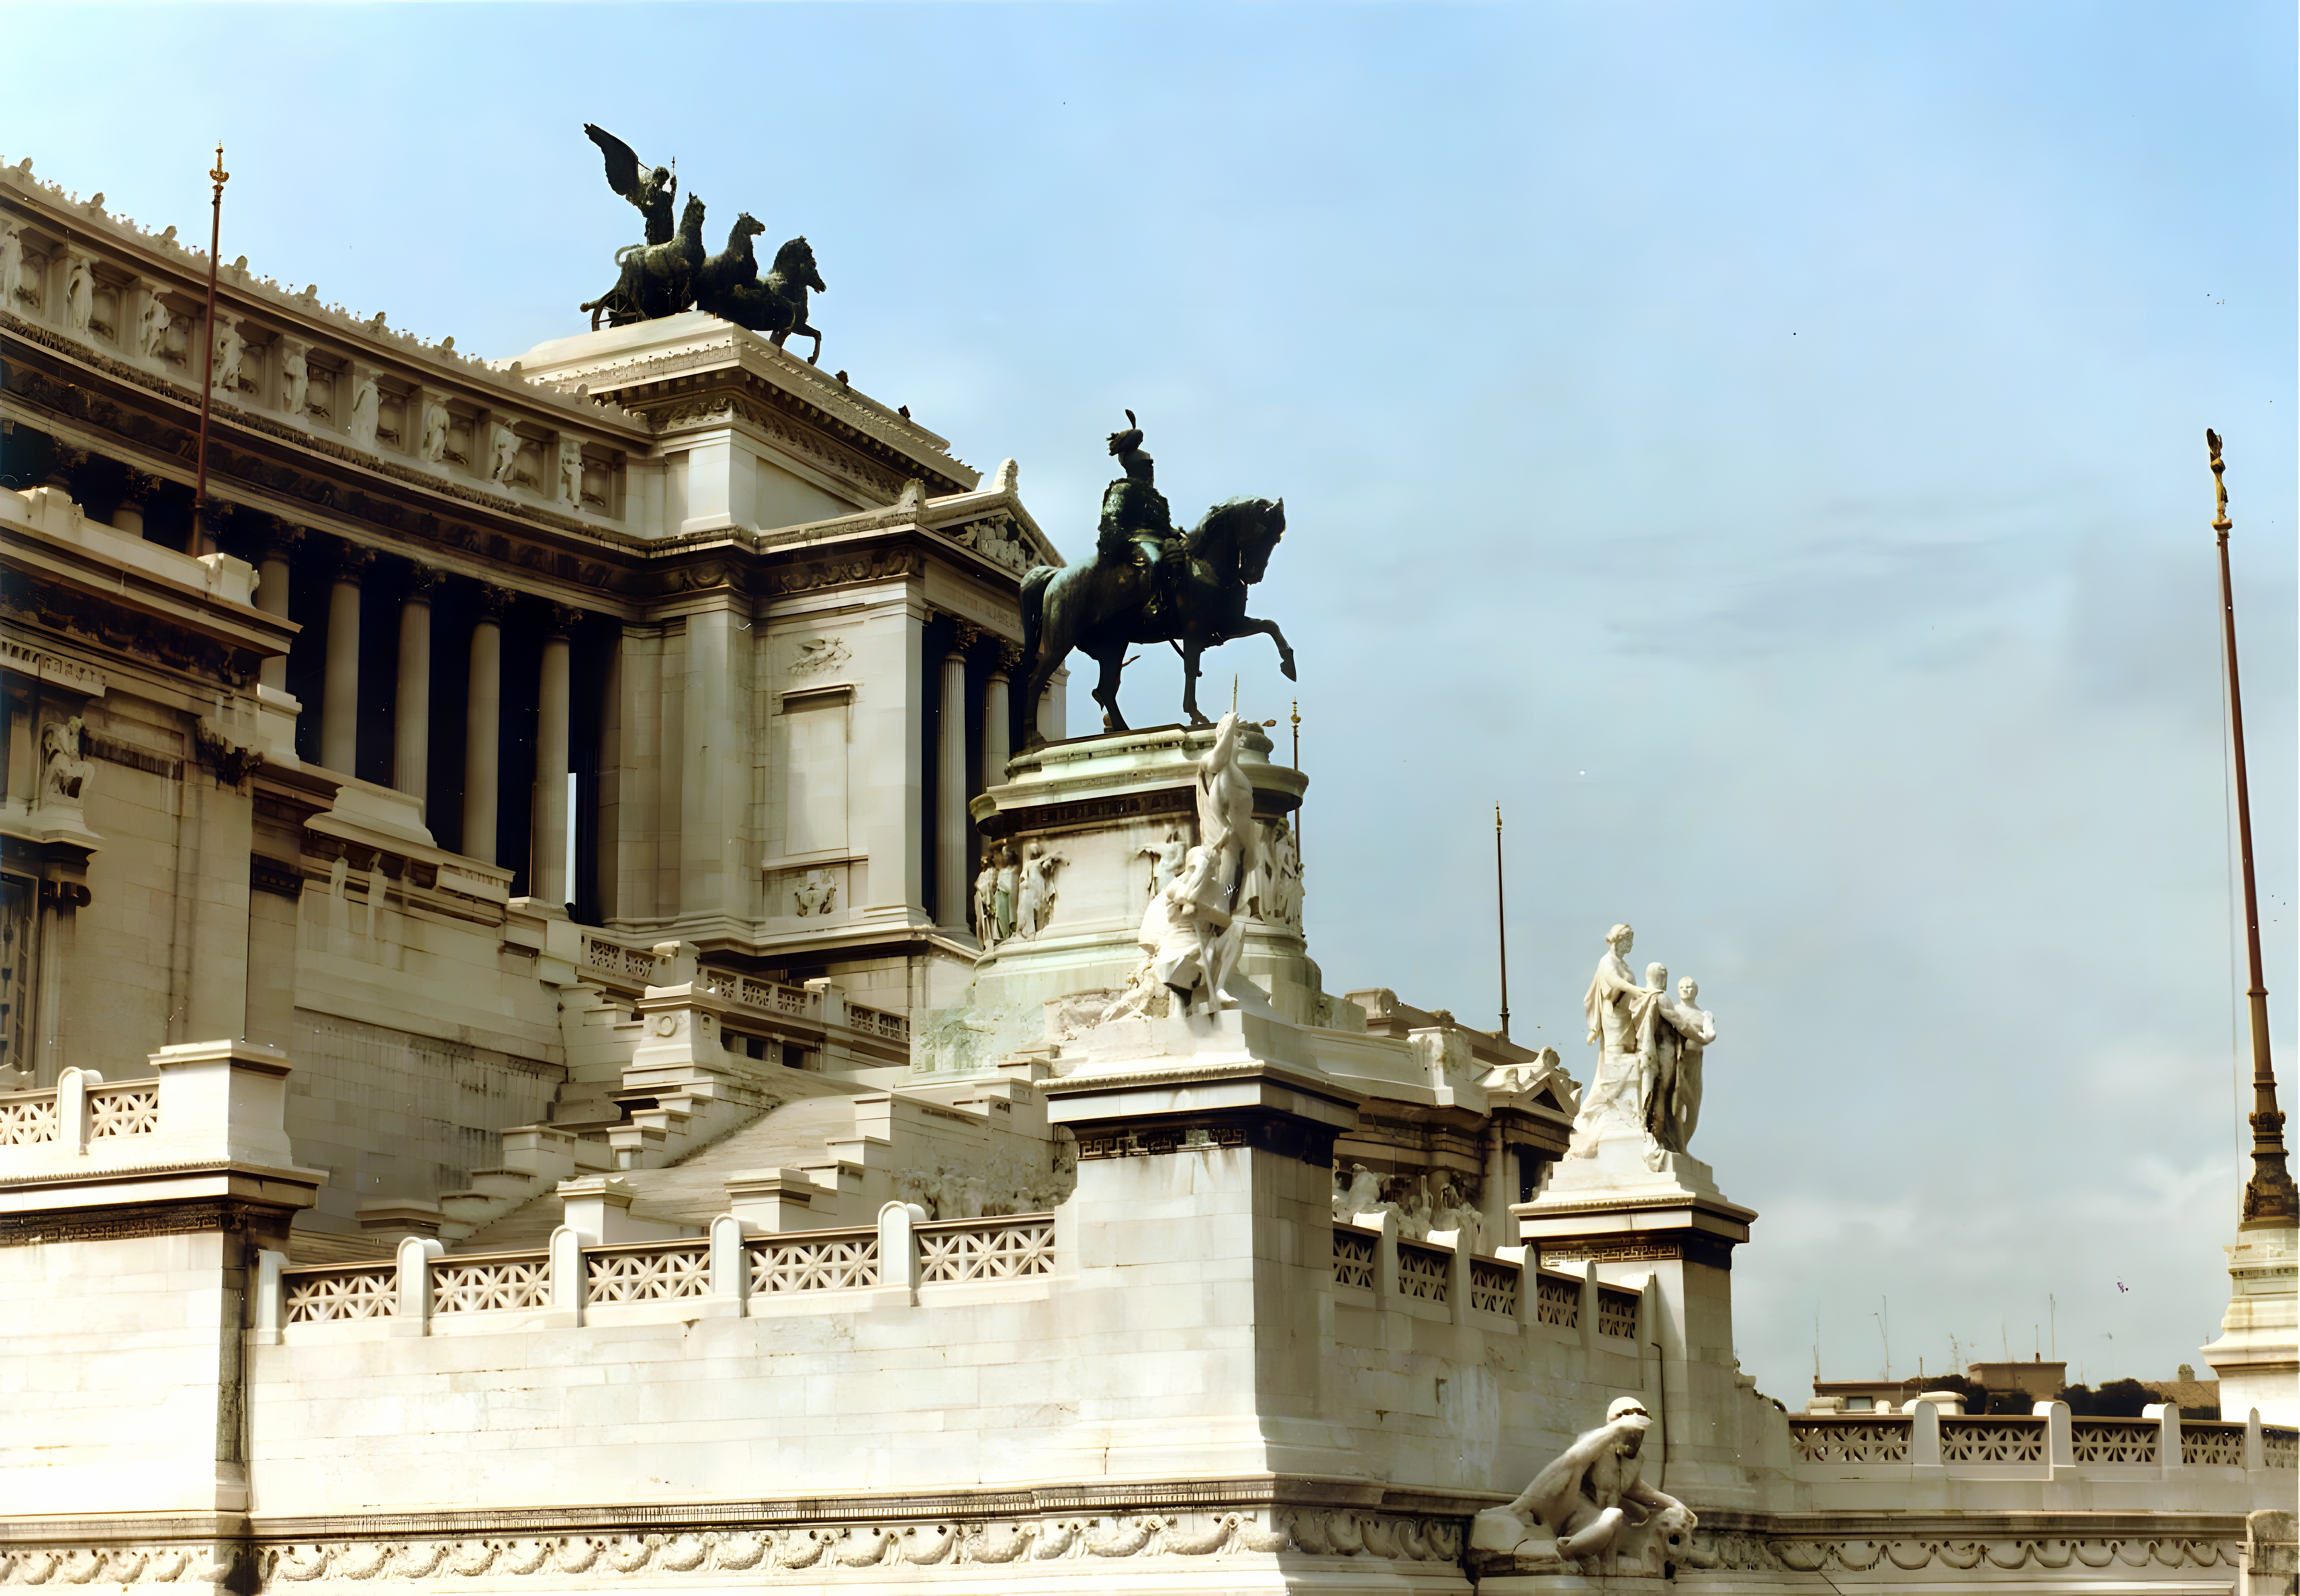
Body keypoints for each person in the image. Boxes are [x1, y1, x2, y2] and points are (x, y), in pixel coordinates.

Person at [1497, 1396, 1693, 1564]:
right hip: (1579, 1514)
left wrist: (1676, 1505)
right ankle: (1562, 1553)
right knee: (1613, 1517)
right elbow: (1565, 1466)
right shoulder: (1593, 1442)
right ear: (1616, 1422)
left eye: (1641, 1431)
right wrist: (1520, 1505)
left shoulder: (1636, 1459)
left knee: (1642, 1517)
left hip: (1607, 1515)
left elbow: (1636, 1489)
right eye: (1634, 1429)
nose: (1638, 1435)